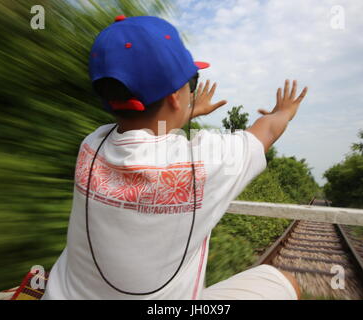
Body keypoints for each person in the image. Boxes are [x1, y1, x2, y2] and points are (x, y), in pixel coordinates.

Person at [42, 15, 306, 300]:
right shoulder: (209, 159)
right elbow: (266, 131)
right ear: (175, 97)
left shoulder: (91, 146)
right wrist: (285, 111)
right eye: (191, 79)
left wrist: (183, 111)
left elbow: (145, 133)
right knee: (284, 281)